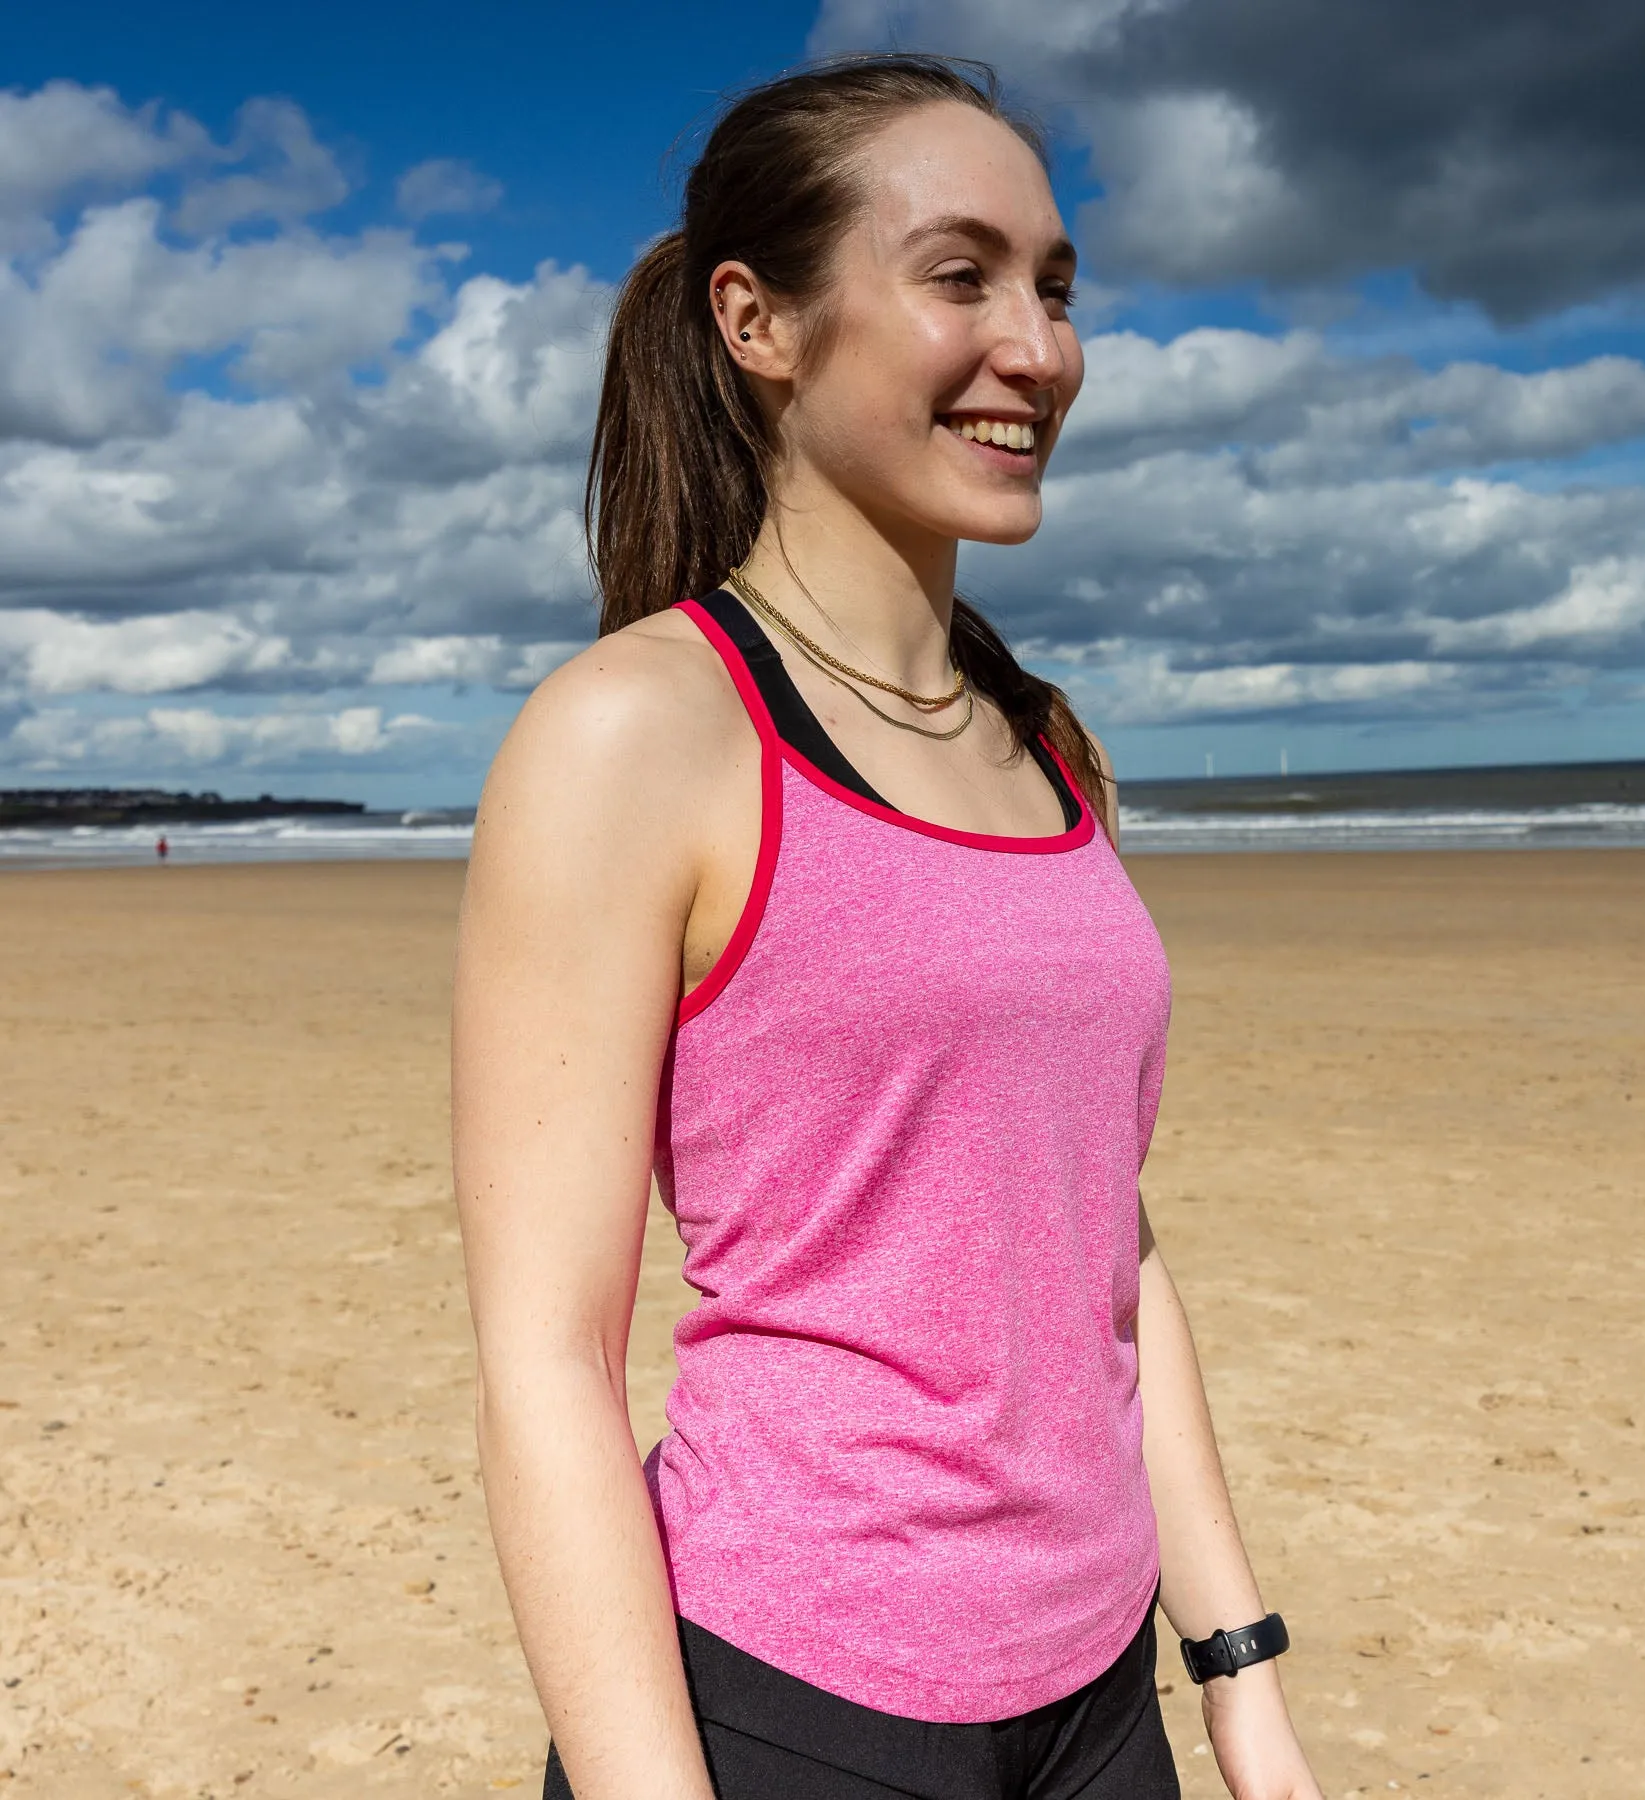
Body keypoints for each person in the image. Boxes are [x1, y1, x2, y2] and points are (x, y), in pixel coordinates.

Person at [452, 53, 1324, 1800]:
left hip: (1094, 1695)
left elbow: (1106, 1245)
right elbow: (545, 1360)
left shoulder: (1050, 743)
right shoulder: (638, 731)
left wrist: (1237, 1674)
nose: (1040, 347)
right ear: (755, 320)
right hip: (793, 1699)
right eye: (962, 275)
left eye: (1058, 286)